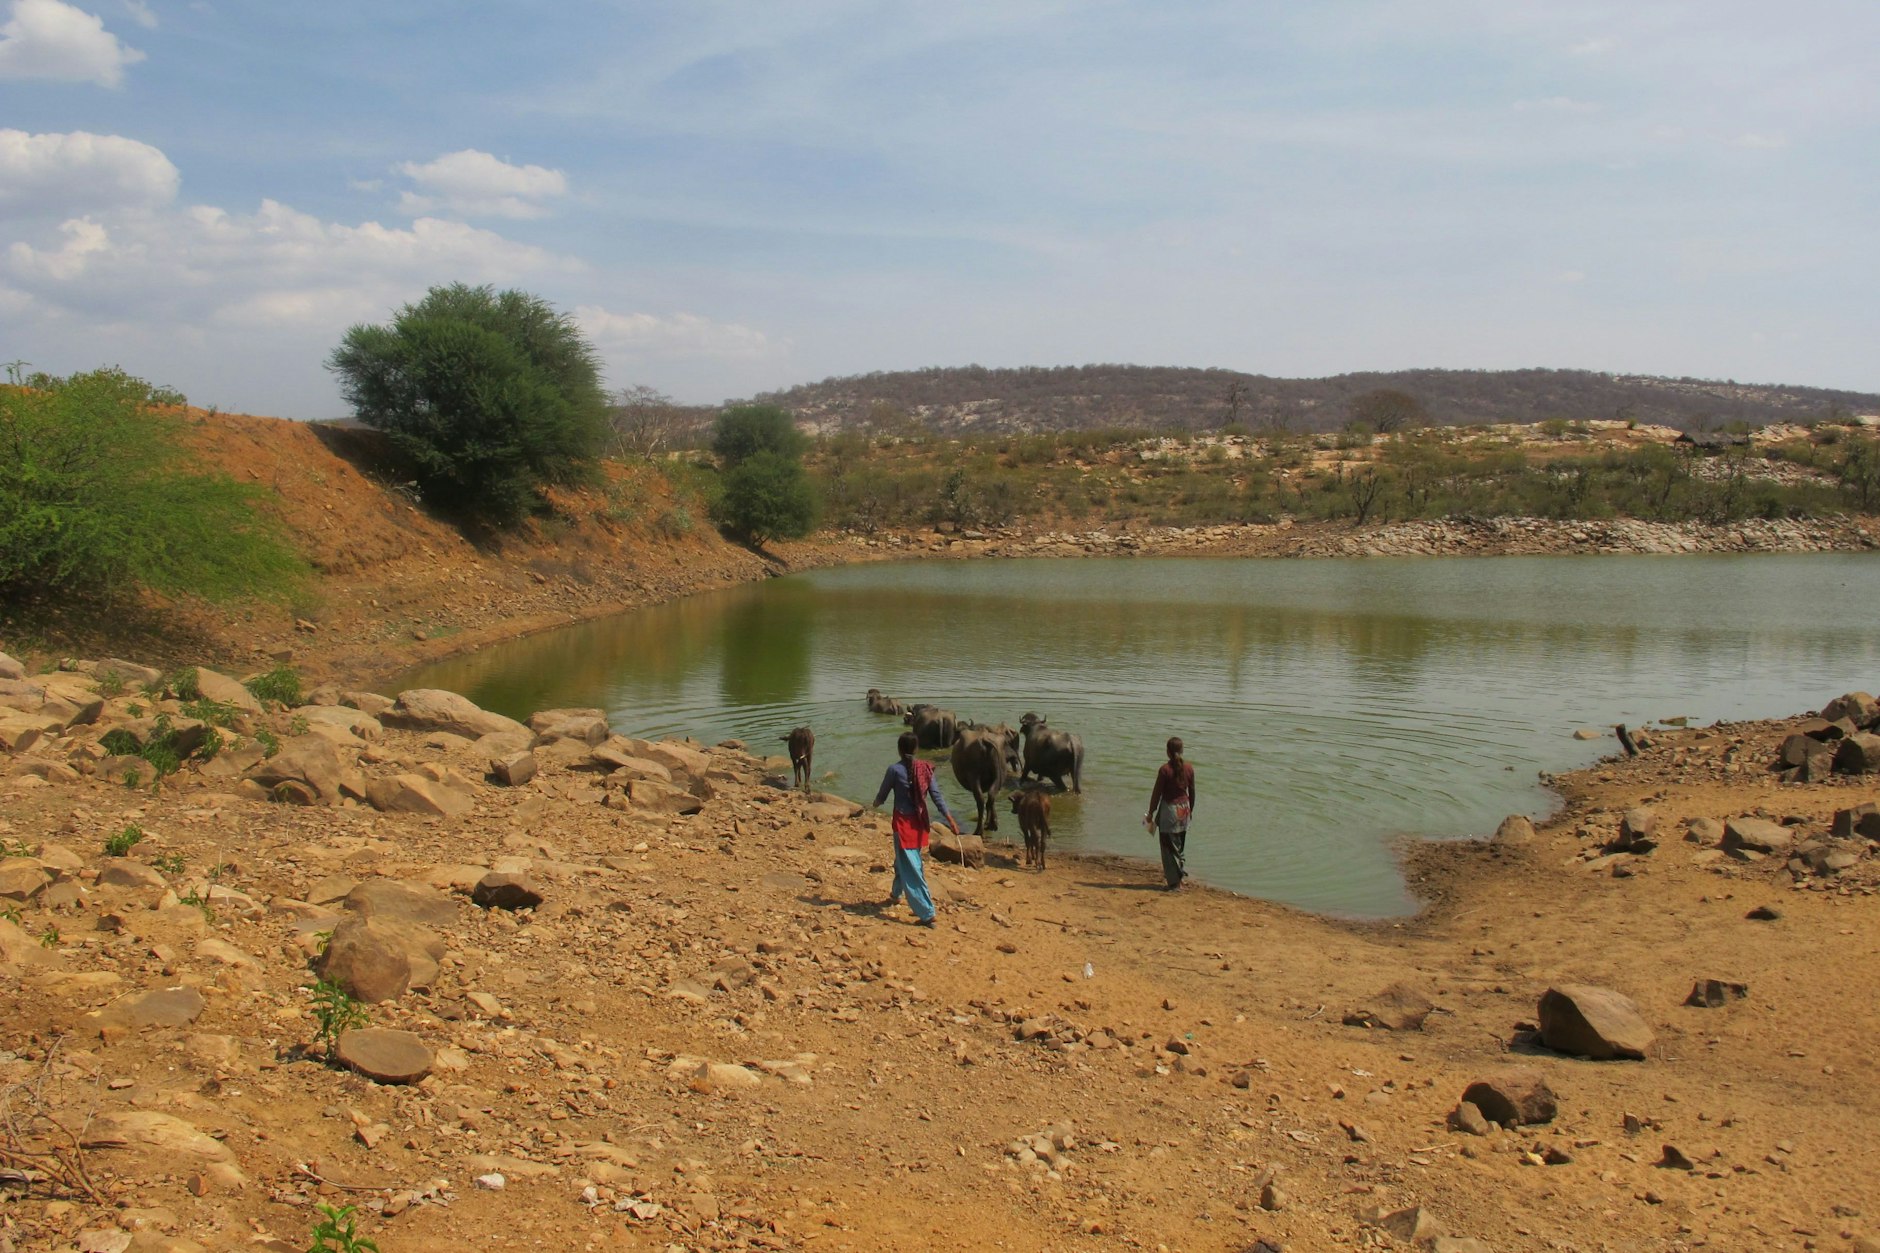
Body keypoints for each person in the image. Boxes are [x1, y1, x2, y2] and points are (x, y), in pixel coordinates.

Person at [871, 731, 962, 927]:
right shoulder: (926, 769)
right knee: (904, 860)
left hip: (903, 823)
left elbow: (882, 795)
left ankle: (927, 912)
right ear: (916, 749)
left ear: (899, 749)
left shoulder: (894, 770)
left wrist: (875, 804)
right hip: (920, 823)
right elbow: (937, 797)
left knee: (911, 867)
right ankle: (896, 894)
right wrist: (950, 819)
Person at [1145, 736, 1196, 890]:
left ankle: (1174, 883)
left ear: (1168, 752)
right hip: (1184, 810)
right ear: (1181, 751)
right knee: (1179, 847)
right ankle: (1179, 878)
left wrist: (1150, 812)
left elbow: (1157, 793)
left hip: (1170, 812)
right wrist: (1191, 810)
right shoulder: (1189, 768)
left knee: (1168, 847)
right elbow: (1192, 792)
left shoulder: (1165, 770)